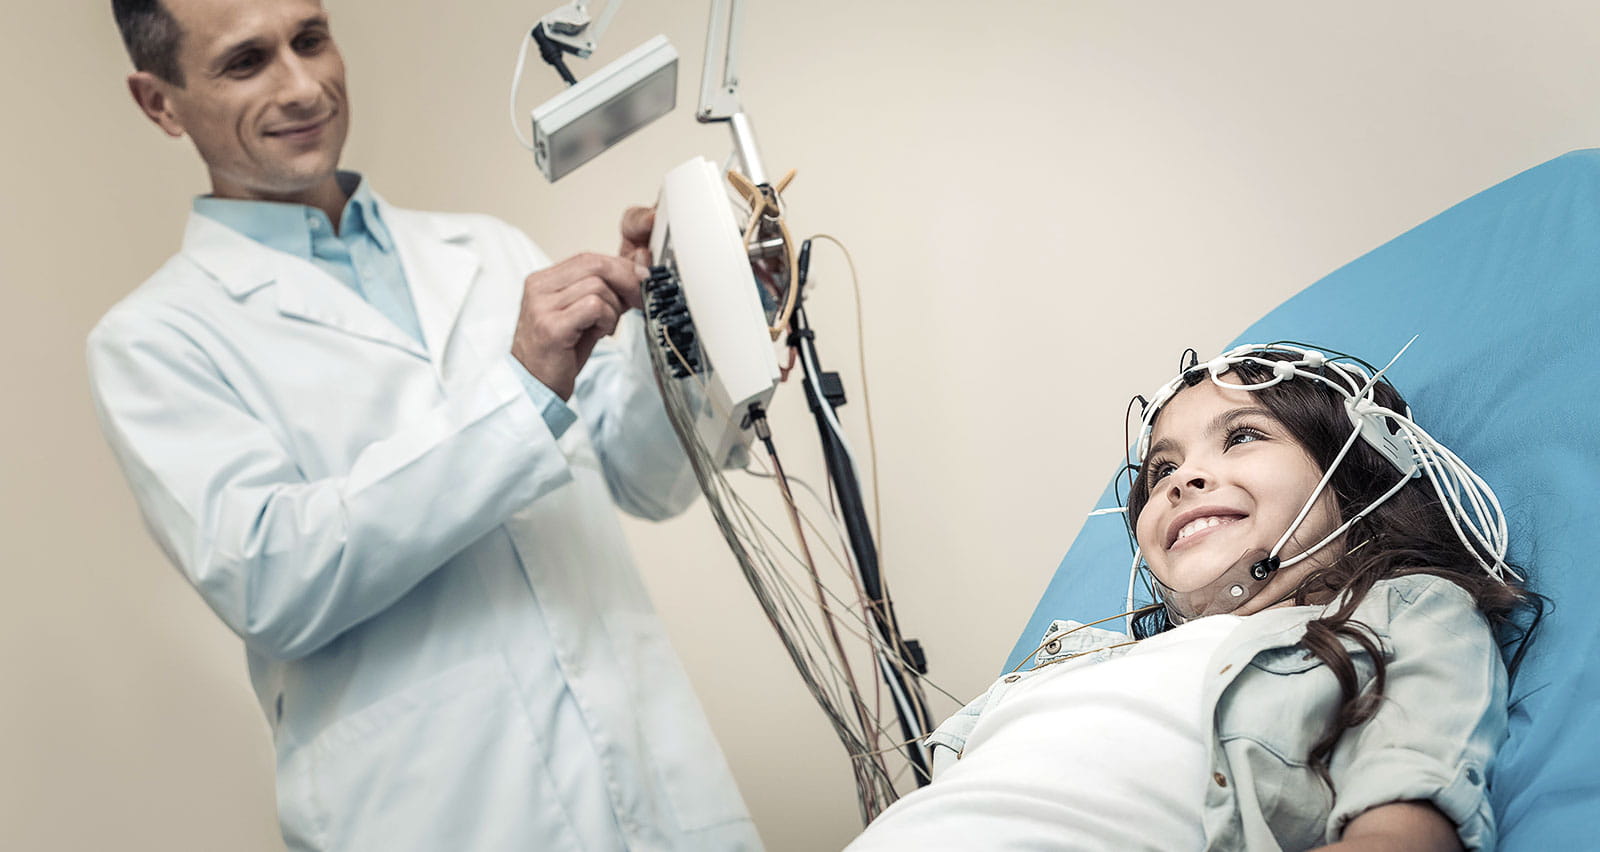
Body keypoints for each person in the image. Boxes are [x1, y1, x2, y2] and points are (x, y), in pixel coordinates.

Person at [90, 0, 761, 849]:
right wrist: (519, 389)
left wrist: (691, 312)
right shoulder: (155, 340)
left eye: (310, 39)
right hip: (445, 815)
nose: (304, 86)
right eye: (247, 61)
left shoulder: (484, 250)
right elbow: (271, 579)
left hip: (662, 794)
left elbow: (639, 477)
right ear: (159, 102)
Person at [846, 345, 1539, 852]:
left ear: (1355, 473)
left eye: (1242, 437)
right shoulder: (1074, 663)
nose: (1183, 479)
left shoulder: (1397, 618)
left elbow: (1403, 835)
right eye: (1163, 468)